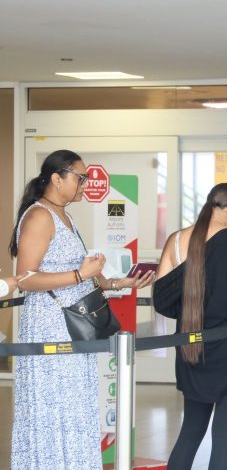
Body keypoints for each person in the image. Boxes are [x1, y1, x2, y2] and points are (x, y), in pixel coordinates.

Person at [10, 149, 153, 470]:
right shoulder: (39, 216)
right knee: (54, 408)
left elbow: (83, 275)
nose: (86, 184)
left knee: (74, 406)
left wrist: (120, 284)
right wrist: (79, 274)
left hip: (71, 324)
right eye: (80, 177)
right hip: (50, 324)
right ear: (57, 178)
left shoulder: (65, 216)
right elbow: (26, 278)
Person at [153, 183, 227, 470]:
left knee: (191, 432)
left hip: (192, 349)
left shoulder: (177, 240)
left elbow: (162, 301)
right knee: (224, 438)